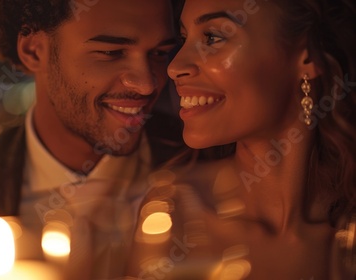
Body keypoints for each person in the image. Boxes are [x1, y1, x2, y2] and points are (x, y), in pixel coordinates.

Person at [0, 0, 187, 279]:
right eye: (112, 53)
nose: (147, 84)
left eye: (160, 54)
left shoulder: (204, 165)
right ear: (34, 51)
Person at [127, 0, 356, 279]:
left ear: (308, 57)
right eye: (184, 39)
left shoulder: (346, 233)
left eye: (212, 37)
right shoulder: (171, 213)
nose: (175, 67)